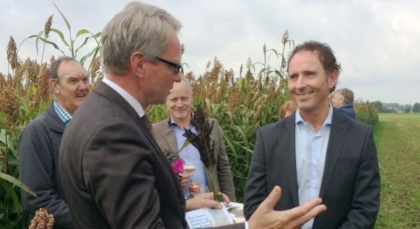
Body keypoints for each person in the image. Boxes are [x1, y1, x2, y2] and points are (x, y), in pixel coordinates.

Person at [58, 2, 326, 229]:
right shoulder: (113, 131)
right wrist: (249, 226)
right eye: (174, 65)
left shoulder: (101, 113)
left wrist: (184, 205)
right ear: (139, 64)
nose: (177, 77)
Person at [244, 41, 380, 228]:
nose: (299, 85)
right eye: (293, 77)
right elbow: (253, 205)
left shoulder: (360, 137)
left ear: (332, 78)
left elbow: (365, 209)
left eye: (309, 74)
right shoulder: (268, 138)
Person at [18, 56, 90, 228]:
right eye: (73, 81)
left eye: (85, 79)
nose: (83, 86)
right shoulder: (37, 133)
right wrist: (91, 220)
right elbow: (37, 198)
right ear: (54, 85)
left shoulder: (93, 126)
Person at [153, 77, 236, 201]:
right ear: (166, 100)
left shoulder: (210, 126)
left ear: (192, 97)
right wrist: (173, 182)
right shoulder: (156, 132)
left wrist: (231, 204)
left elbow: (223, 168)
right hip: (178, 206)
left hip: (211, 203)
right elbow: (153, 174)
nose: (179, 104)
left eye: (184, 98)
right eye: (174, 99)